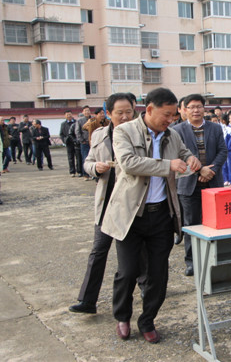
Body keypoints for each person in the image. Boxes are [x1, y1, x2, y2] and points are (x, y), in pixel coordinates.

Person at [101, 87, 200, 343]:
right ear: (150, 110)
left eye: (173, 116)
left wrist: (192, 160)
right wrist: (167, 166)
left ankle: (147, 320)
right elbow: (129, 163)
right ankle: (122, 316)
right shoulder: (124, 131)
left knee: (158, 273)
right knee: (128, 271)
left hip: (162, 215)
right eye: (166, 115)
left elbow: (184, 153)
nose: (170, 120)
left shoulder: (172, 135)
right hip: (131, 215)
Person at [69, 93, 137, 314]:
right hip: (107, 202)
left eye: (129, 111)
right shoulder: (98, 134)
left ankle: (147, 291)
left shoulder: (142, 134)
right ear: (108, 113)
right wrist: (95, 168)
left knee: (138, 253)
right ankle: (88, 300)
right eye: (120, 112)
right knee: (98, 251)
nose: (125, 116)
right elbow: (87, 162)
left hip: (132, 202)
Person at [172, 94, 227, 276]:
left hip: (213, 181)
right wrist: (199, 170)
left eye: (199, 106)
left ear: (204, 109)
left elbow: (222, 151)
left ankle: (214, 258)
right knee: (191, 224)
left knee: (214, 223)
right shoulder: (176, 131)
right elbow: (177, 157)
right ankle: (192, 261)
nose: (196, 110)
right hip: (188, 183)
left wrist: (212, 170)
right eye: (191, 107)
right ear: (184, 109)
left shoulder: (215, 128)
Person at [59, 110, 78, 177]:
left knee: (78, 157)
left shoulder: (76, 122)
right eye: (67, 115)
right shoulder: (63, 124)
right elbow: (61, 134)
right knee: (70, 158)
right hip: (69, 143)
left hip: (76, 142)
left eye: (70, 114)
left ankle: (79, 171)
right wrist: (64, 141)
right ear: (65, 116)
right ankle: (72, 171)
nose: (69, 116)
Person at [76, 106, 92, 180]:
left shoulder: (93, 119)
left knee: (94, 158)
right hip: (85, 142)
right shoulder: (80, 121)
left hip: (92, 142)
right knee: (85, 158)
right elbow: (77, 132)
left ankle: (93, 174)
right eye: (85, 111)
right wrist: (82, 140)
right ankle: (86, 175)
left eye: (88, 110)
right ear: (83, 112)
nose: (87, 112)